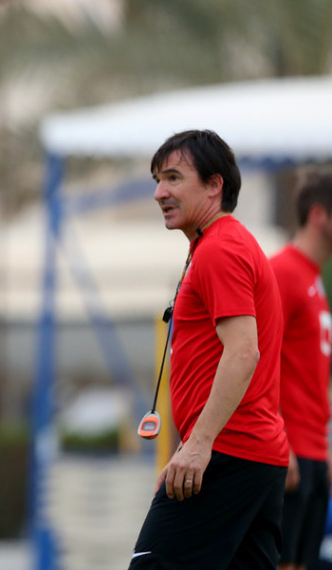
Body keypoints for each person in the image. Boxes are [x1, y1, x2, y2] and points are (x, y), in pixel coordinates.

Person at [129, 129, 289, 569]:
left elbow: (243, 352)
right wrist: (189, 446)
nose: (160, 192)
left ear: (215, 185)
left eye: (175, 178)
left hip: (230, 455)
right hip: (250, 456)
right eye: (158, 180)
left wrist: (198, 446)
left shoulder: (220, 248)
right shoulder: (219, 245)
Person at [272, 168, 332, 570]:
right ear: (319, 215)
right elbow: (254, 360)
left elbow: (305, 373)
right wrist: (279, 438)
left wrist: (324, 447)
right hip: (288, 457)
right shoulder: (282, 272)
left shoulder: (313, 278)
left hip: (313, 452)